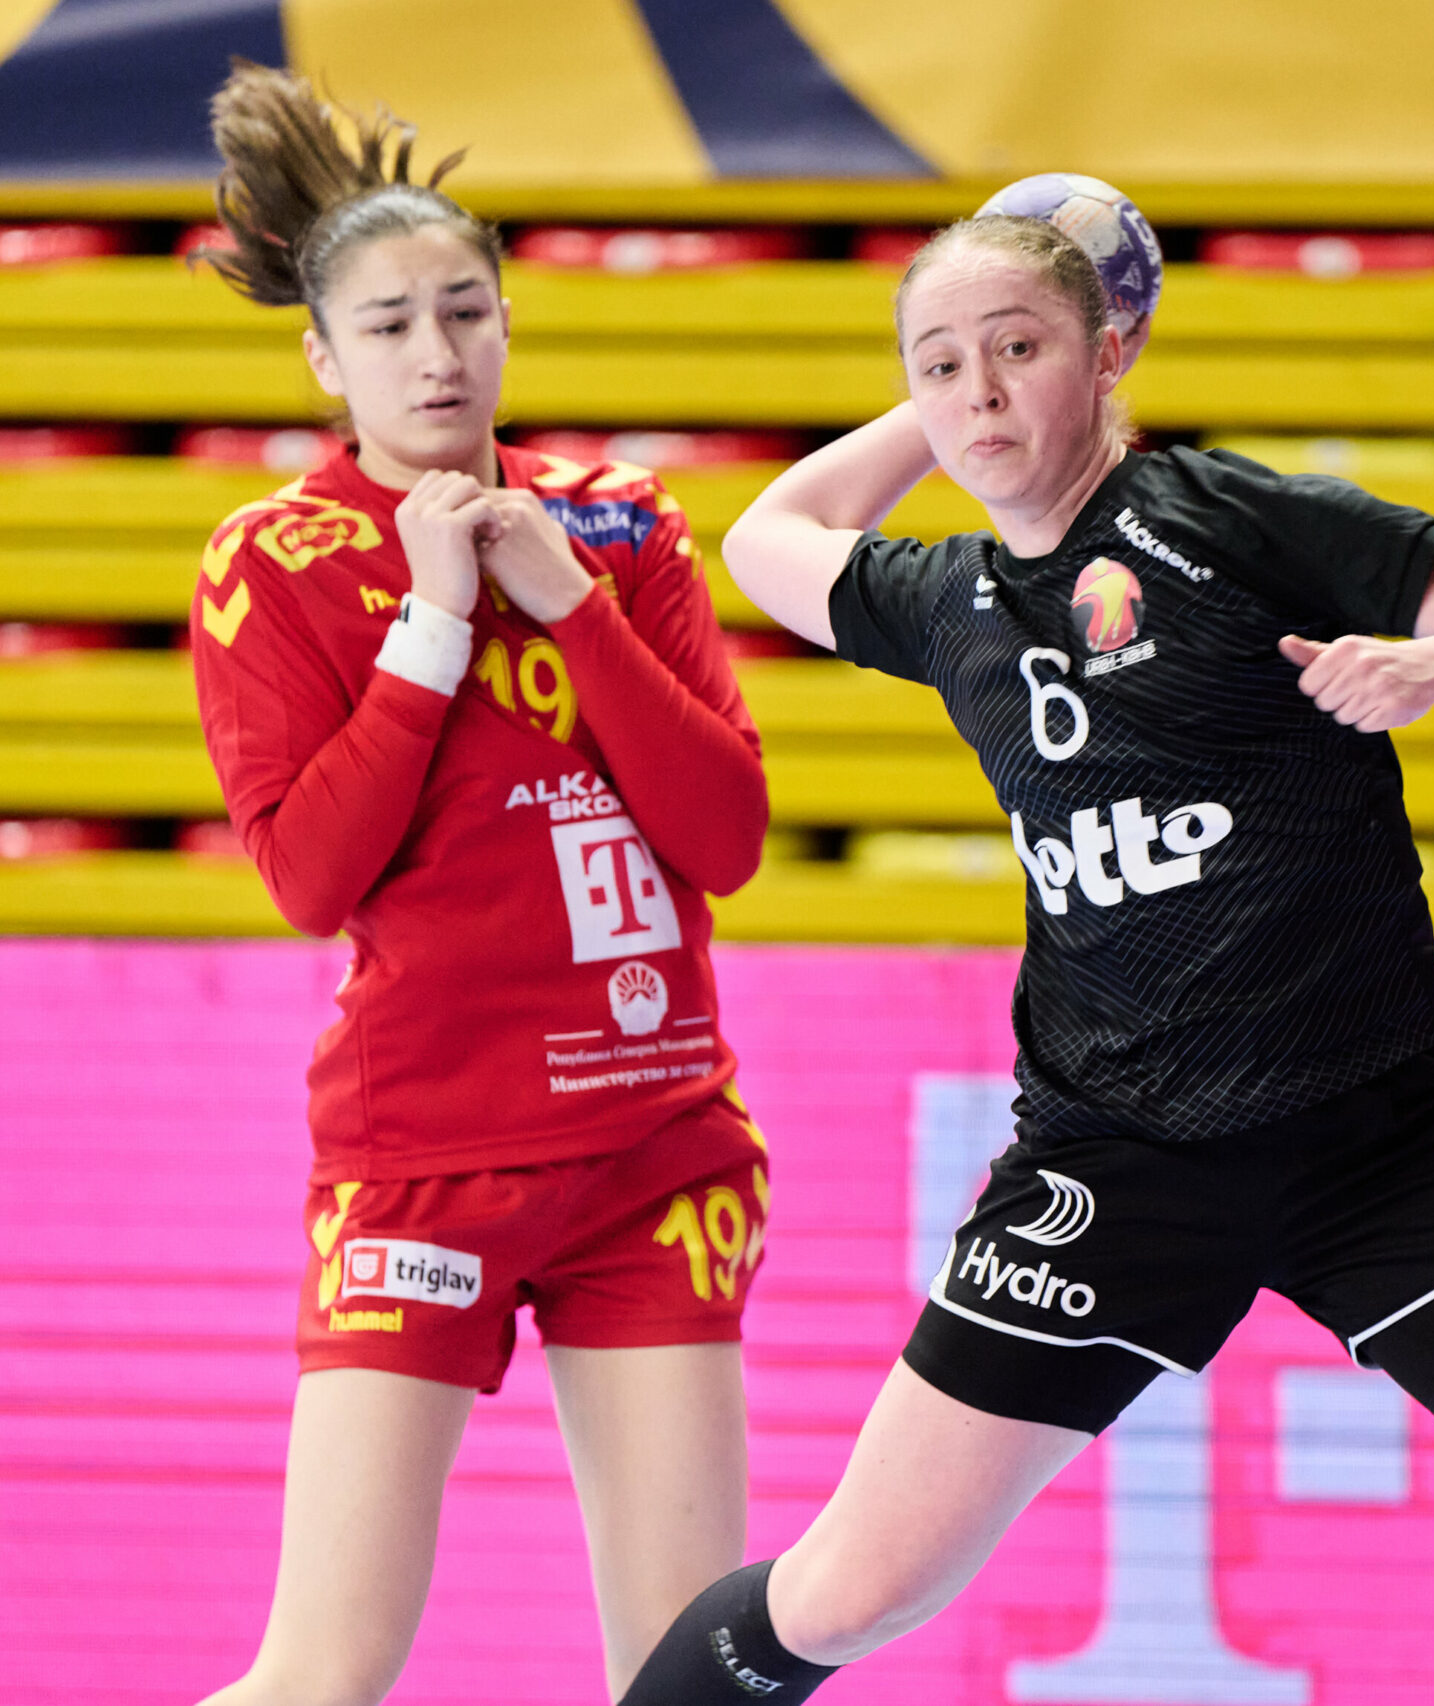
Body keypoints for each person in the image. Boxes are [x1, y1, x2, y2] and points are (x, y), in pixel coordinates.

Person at [619, 214, 1434, 1706]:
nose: (982, 389)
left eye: (1021, 348)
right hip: (1114, 1167)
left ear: (1113, 352)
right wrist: (961, 391)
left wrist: (1433, 665)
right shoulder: (951, 600)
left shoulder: (1234, 522)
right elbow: (766, 537)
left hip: (1386, 1153)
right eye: (940, 365)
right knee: (850, 1591)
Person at [187, 63, 773, 1704]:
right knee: (323, 1672)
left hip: (653, 1143)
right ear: (325, 358)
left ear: (509, 321)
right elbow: (311, 875)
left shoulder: (621, 525)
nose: (436, 353)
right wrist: (434, 626)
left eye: (464, 311)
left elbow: (725, 838)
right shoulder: (276, 560)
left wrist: (570, 603)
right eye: (389, 325)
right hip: (424, 1159)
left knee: (685, 1677)